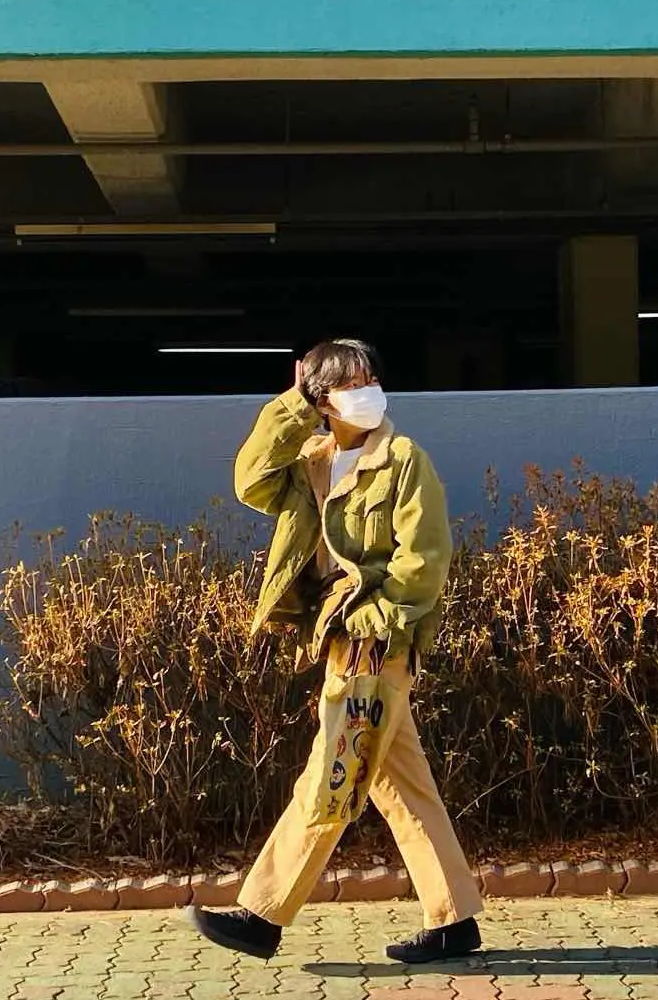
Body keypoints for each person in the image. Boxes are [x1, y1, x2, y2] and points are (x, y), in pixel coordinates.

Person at [190, 337, 485, 965]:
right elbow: (250, 482)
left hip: (374, 640)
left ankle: (263, 915)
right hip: (339, 635)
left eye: (370, 377)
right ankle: (454, 919)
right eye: (350, 383)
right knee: (399, 780)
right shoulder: (312, 461)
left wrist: (377, 617)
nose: (366, 390)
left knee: (334, 769)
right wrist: (291, 406)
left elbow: (425, 557)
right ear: (321, 400)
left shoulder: (404, 460)